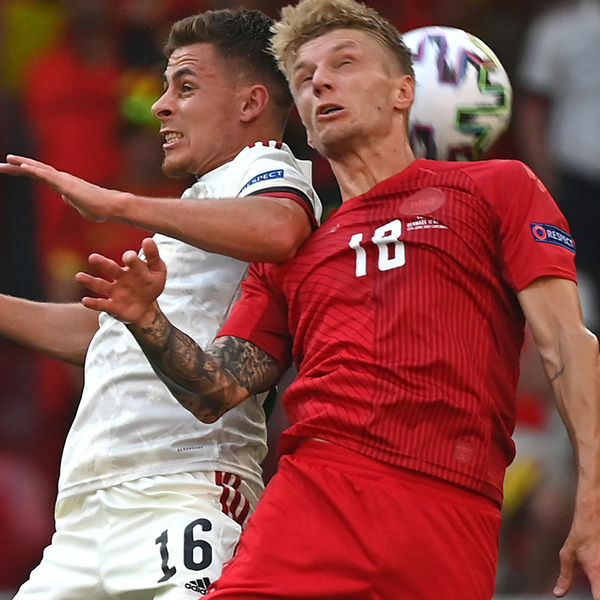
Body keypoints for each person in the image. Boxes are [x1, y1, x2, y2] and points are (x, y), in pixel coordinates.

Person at [9, 1, 600, 598]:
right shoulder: (297, 254)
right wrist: (147, 321)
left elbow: (567, 345)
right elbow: (214, 391)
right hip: (311, 495)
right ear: (305, 126)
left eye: (344, 63)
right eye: (304, 76)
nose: (320, 82)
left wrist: (592, 497)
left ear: (404, 91)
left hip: (448, 504)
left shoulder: (495, 188)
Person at [0, 8, 320, 600]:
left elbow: (280, 226)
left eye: (186, 87)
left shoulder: (266, 169)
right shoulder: (202, 205)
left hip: (183, 490)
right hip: (88, 509)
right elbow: (106, 335)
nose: (160, 106)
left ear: (250, 103)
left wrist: (116, 203)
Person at [517, 0, 600, 330]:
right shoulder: (557, 31)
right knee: (578, 287)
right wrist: (544, 183)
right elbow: (533, 108)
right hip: (575, 180)